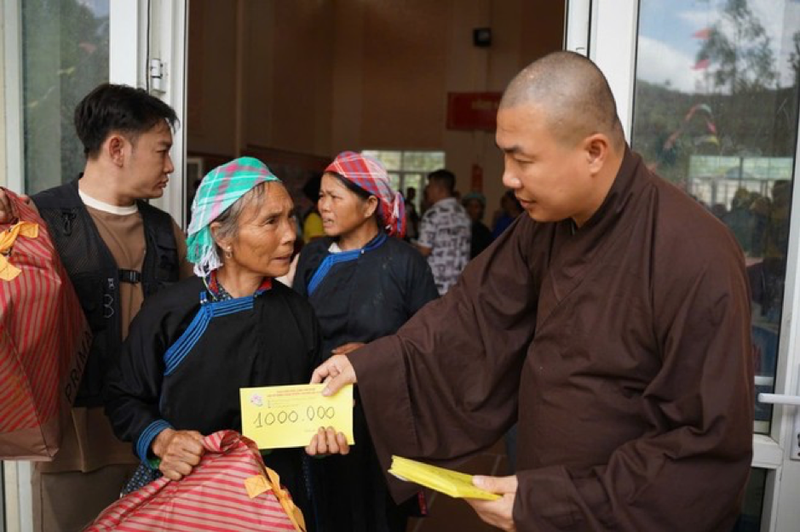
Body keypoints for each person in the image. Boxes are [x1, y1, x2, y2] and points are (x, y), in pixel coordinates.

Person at [309, 51, 753, 531]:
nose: (506, 177)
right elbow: (469, 320)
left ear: (594, 151)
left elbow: (703, 446)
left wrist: (558, 503)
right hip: (541, 492)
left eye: (523, 158)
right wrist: (366, 367)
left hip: (608, 512)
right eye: (505, 154)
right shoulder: (542, 228)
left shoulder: (694, 253)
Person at [103, 157, 347, 526]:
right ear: (222, 235)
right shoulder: (171, 312)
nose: (289, 235)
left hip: (278, 501)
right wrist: (162, 440)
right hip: (190, 501)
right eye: (270, 221)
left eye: (290, 217)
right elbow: (123, 396)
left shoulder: (298, 313)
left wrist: (326, 435)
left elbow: (317, 402)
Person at [0, 83, 193, 531]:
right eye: (162, 150)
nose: (169, 166)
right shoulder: (37, 221)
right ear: (117, 148)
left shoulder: (166, 231)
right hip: (74, 447)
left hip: (156, 439)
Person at [294, 151, 438, 532]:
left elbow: (429, 342)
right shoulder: (311, 258)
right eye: (321, 196)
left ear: (370, 204)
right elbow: (296, 330)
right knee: (325, 507)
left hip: (381, 415)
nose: (322, 206)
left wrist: (372, 356)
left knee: (379, 511)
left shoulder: (405, 264)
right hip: (322, 413)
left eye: (334, 197)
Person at [415, 169, 471, 295]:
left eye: (429, 186)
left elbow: (424, 250)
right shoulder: (463, 212)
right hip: (459, 284)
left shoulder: (434, 213)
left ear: (438, 188)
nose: (427, 190)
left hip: (437, 284)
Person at [462, 191, 493, 258]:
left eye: (476, 207)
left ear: (481, 210)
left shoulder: (484, 232)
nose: (471, 209)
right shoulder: (458, 228)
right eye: (469, 206)